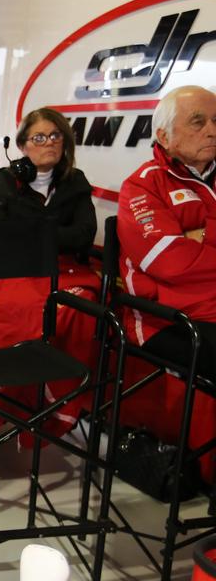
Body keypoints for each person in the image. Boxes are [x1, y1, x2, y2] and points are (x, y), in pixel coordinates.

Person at [0, 107, 99, 440]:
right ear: (23, 145)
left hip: (65, 273)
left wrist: (34, 231)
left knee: (85, 308)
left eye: (55, 136)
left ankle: (57, 406)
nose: (48, 143)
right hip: (13, 271)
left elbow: (84, 234)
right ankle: (1, 401)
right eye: (38, 137)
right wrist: (51, 232)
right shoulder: (5, 181)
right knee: (22, 308)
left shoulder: (76, 183)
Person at [118, 85, 216, 376]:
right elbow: (170, 263)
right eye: (198, 122)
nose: (211, 131)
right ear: (164, 136)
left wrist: (201, 236)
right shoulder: (142, 185)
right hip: (167, 320)